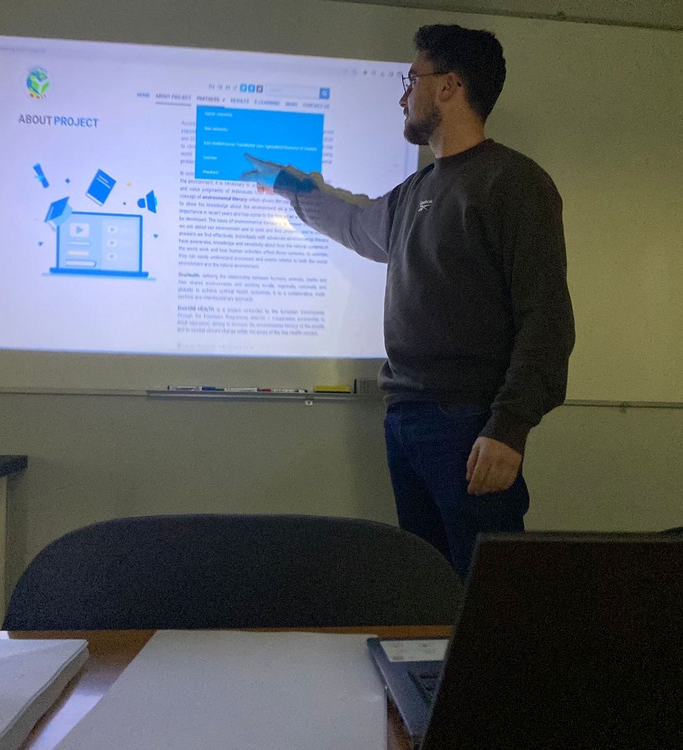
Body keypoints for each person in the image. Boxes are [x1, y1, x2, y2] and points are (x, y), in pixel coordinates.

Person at [243, 24, 575, 578]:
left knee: (483, 590)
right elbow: (355, 223)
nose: (403, 97)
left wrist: (508, 427)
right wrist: (289, 184)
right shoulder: (416, 191)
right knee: (425, 585)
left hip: (469, 425)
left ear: (448, 86)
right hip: (406, 418)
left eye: (410, 79)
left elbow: (547, 319)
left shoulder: (513, 183)